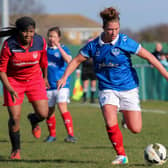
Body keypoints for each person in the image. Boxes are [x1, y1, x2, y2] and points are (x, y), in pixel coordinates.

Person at [57, 7, 168, 165]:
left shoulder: (124, 41)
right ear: (103, 28)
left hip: (128, 88)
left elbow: (149, 56)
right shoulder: (94, 45)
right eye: (110, 29)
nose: (114, 32)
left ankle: (124, 114)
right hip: (107, 88)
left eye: (116, 29)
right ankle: (121, 155)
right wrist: (64, 77)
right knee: (110, 122)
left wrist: (166, 75)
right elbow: (76, 61)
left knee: (136, 129)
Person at [0, 16, 49, 160]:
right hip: (13, 82)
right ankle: (16, 150)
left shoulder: (40, 42)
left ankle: (33, 120)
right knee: (14, 118)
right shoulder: (9, 45)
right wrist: (9, 88)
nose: (28, 35)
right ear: (18, 32)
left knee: (43, 114)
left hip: (34, 80)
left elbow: (44, 62)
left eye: (31, 31)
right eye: (25, 32)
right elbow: (1, 70)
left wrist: (45, 78)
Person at [44, 27, 77, 143]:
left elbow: (69, 61)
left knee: (62, 107)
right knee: (49, 111)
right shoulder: (45, 50)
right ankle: (52, 135)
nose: (51, 38)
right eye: (49, 36)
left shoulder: (64, 49)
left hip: (62, 85)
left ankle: (71, 135)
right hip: (48, 86)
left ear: (59, 38)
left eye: (53, 36)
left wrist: (58, 46)